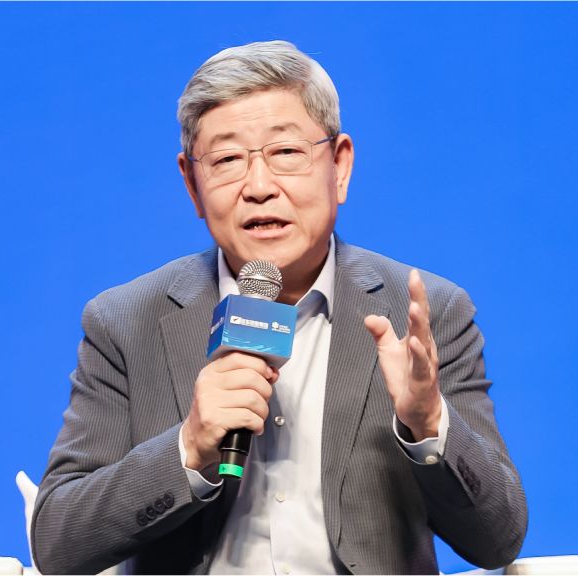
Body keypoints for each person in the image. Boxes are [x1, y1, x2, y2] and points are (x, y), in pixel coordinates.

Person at [31, 40, 527, 575]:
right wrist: (187, 448)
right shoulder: (126, 321)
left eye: (286, 152)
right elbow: (58, 543)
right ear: (192, 184)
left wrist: (429, 424)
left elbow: (498, 541)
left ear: (339, 166)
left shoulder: (427, 312)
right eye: (227, 160)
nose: (259, 186)